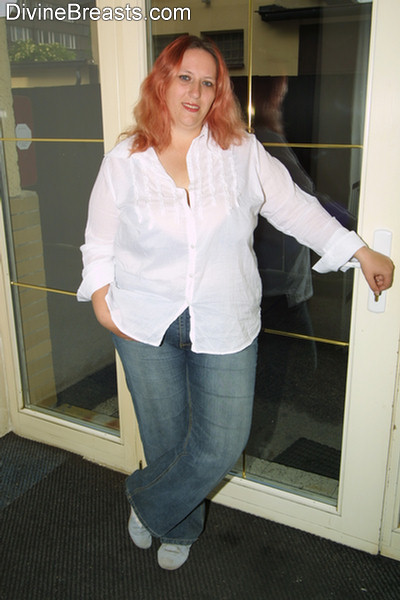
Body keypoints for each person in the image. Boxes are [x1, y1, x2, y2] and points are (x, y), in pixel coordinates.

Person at [77, 35, 394, 570]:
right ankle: (179, 526)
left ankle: (147, 500)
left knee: (222, 442)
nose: (195, 92)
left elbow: (297, 208)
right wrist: (101, 299)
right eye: (185, 78)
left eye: (208, 82)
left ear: (219, 92)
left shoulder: (242, 153)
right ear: (162, 82)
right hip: (143, 321)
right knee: (164, 438)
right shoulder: (125, 161)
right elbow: (99, 241)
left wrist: (358, 251)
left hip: (225, 318)